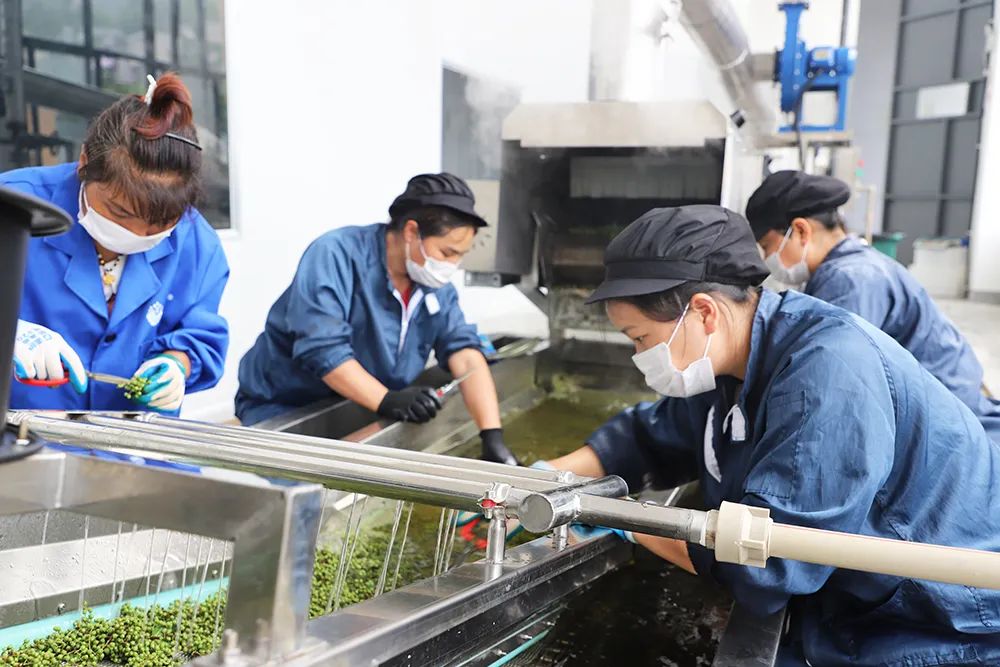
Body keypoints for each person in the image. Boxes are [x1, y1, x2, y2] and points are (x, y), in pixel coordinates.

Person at [545, 205, 1000, 665]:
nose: (637, 355)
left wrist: (626, 521)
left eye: (639, 337)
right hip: (857, 600)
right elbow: (650, 437)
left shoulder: (826, 372)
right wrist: (545, 479)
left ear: (703, 312)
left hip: (940, 620)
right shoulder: (736, 362)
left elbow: (768, 560)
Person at [236, 173, 517, 465]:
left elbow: (466, 355)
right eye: (447, 252)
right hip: (286, 408)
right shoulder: (336, 255)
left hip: (361, 405)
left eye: (460, 256)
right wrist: (387, 400)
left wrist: (492, 436)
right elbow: (323, 350)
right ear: (411, 232)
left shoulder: (433, 285)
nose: (451, 266)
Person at [6, 73, 229, 414]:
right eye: (121, 212)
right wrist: (12, 334)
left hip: (136, 446)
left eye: (159, 223)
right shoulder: (11, 207)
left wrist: (175, 365)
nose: (137, 235)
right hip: (23, 440)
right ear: (85, 163)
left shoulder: (197, 244)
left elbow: (199, 335)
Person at [747, 170, 1000, 440]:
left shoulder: (850, 281)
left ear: (800, 230)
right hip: (956, 399)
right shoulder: (852, 265)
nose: (768, 258)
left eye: (767, 246)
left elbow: (829, 380)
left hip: (951, 425)